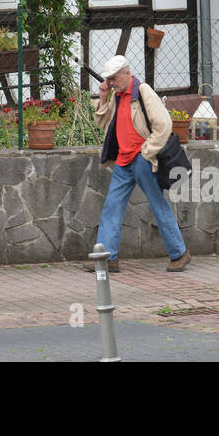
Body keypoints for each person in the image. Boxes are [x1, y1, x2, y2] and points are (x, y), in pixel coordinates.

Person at [82, 54, 191, 273]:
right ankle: (107, 258)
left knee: (157, 205)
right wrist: (103, 97)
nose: (111, 83)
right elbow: (105, 124)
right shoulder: (118, 95)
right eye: (109, 79)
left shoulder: (143, 91)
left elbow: (164, 125)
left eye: (114, 78)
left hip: (142, 161)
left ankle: (179, 253)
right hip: (123, 161)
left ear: (127, 73)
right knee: (112, 207)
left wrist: (146, 152)